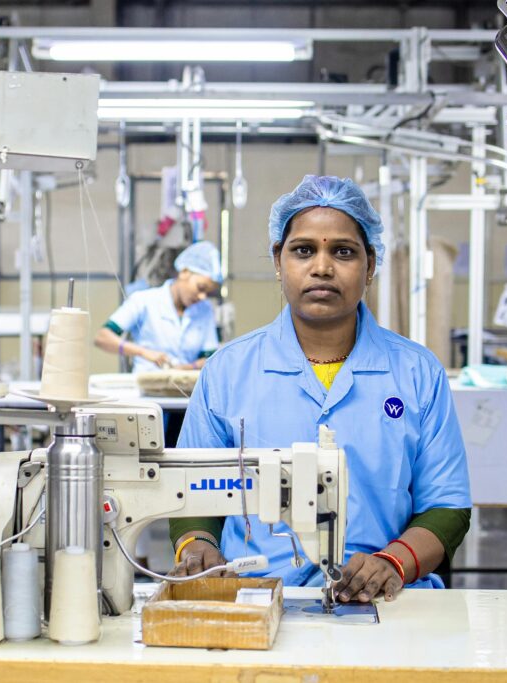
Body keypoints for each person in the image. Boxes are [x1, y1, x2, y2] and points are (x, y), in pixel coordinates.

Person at [169, 175, 471, 604]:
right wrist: (197, 545)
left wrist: (392, 562)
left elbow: (448, 505)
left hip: (385, 598)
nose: (322, 267)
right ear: (279, 261)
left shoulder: (417, 373)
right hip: (255, 593)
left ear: (370, 265)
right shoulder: (228, 372)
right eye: (304, 250)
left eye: (343, 252)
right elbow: (192, 490)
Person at [95, 241, 222, 372]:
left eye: (207, 292)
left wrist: (186, 368)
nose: (202, 296)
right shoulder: (144, 301)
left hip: (186, 389)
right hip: (146, 387)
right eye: (201, 288)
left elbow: (209, 358)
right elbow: (102, 337)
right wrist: (143, 352)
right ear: (184, 272)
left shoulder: (204, 309)